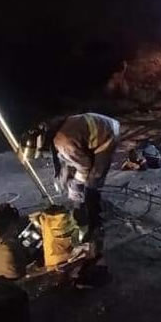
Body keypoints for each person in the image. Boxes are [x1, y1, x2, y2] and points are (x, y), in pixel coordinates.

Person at [49, 113, 120, 286]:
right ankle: (87, 210)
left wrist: (76, 186)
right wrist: (65, 174)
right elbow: (65, 158)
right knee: (78, 173)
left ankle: (95, 220)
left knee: (92, 182)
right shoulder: (58, 135)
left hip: (107, 135)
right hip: (98, 128)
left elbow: (85, 166)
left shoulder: (64, 141)